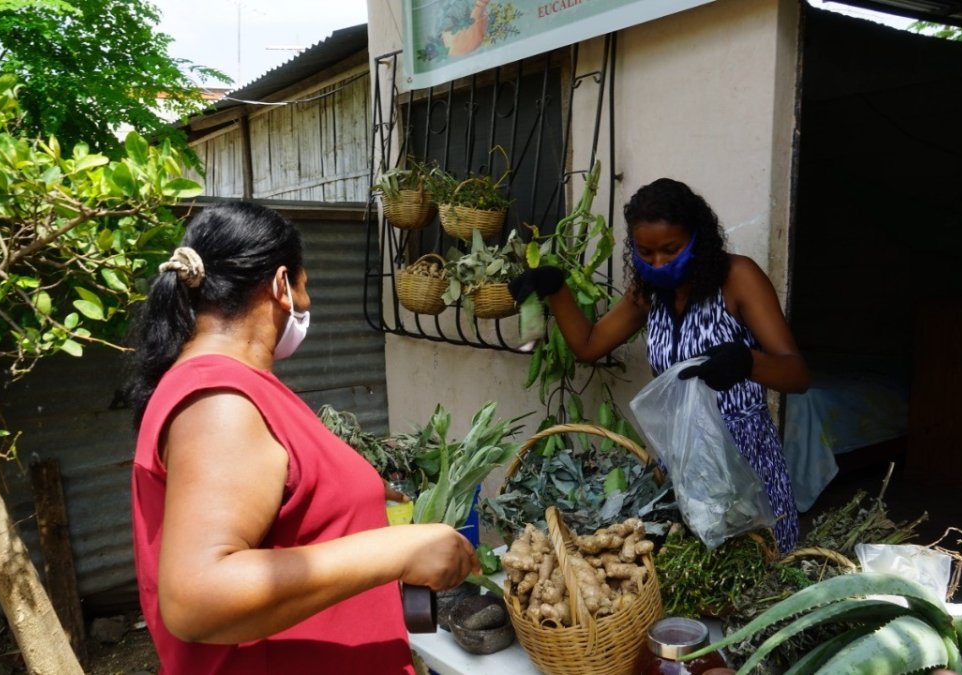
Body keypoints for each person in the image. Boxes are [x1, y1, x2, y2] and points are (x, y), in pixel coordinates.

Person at [125, 202, 478, 674]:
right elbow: (197, 599)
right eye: (306, 286)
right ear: (280, 285)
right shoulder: (219, 401)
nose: (308, 305)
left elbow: (280, 500)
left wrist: (360, 502)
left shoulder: (235, 387)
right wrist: (398, 551)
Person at [509, 178, 809, 551]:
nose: (659, 263)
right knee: (688, 580)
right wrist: (556, 288)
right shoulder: (649, 293)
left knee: (756, 574)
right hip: (680, 464)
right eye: (646, 253)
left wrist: (747, 361)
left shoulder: (738, 278)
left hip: (744, 462)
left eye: (671, 250)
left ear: (699, 239)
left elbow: (796, 374)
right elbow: (588, 346)